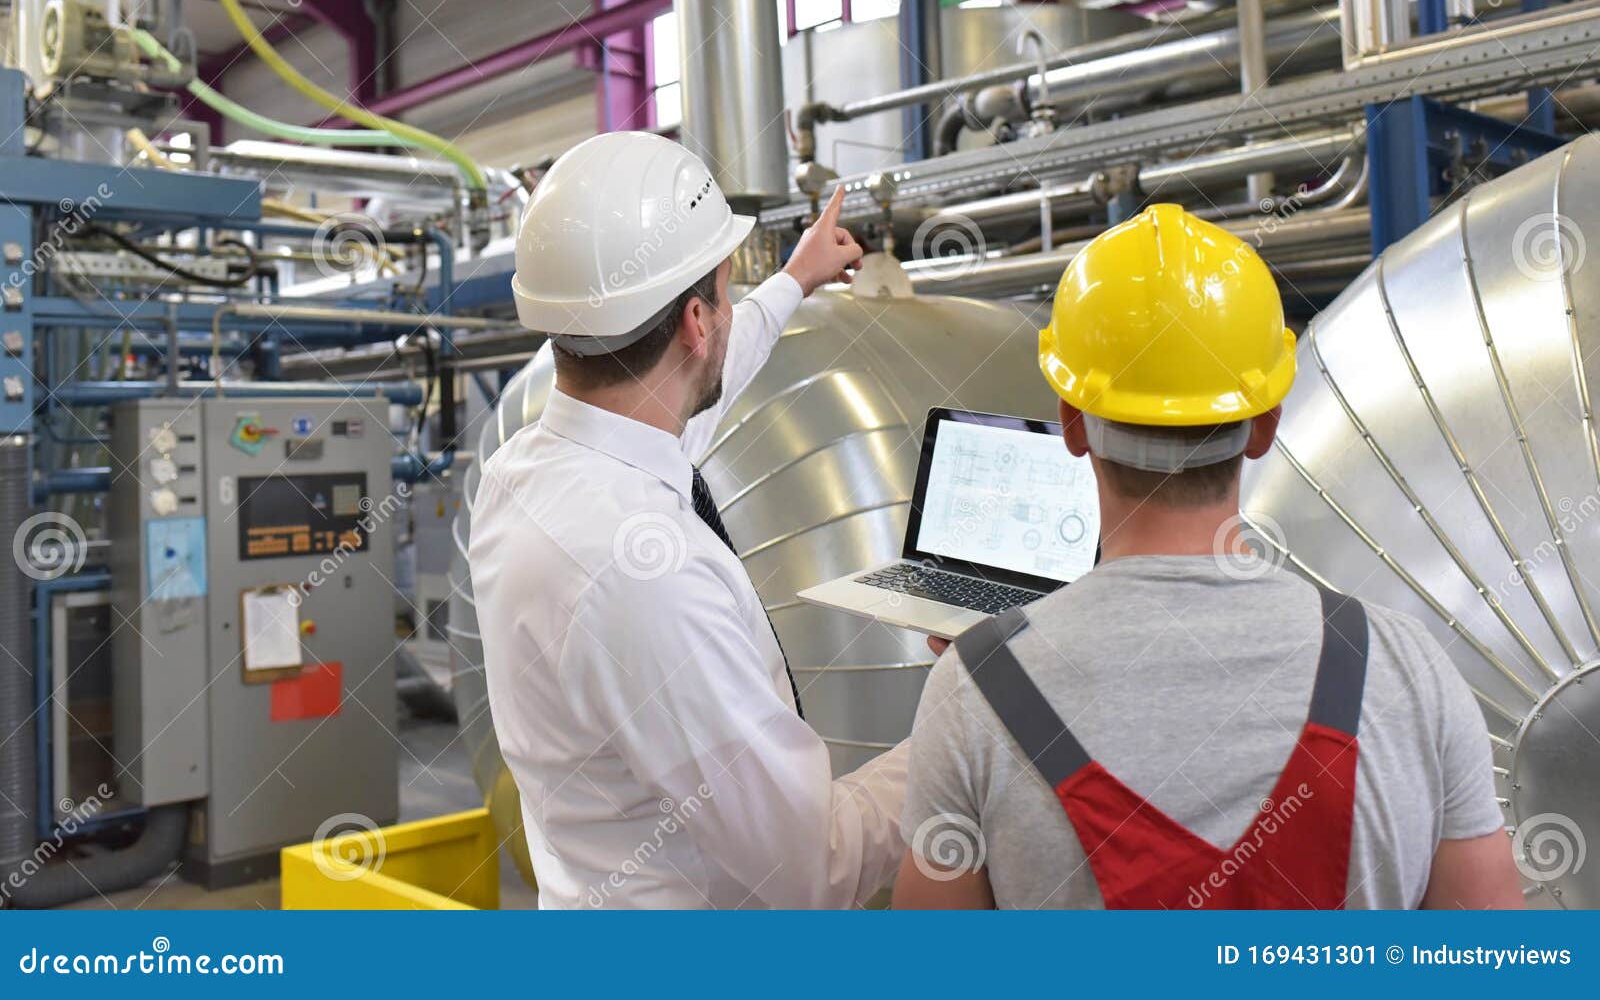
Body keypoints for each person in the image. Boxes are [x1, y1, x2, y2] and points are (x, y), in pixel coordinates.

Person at [893, 204, 1524, 910]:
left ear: (1072, 424)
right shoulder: (1409, 673)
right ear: (1264, 427)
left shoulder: (973, 691)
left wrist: (982, 688)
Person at [468, 131, 910, 909]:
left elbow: (682, 406)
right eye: (725, 296)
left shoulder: (523, 473)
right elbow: (814, 864)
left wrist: (794, 281)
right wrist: (968, 723)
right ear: (698, 323)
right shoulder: (652, 576)